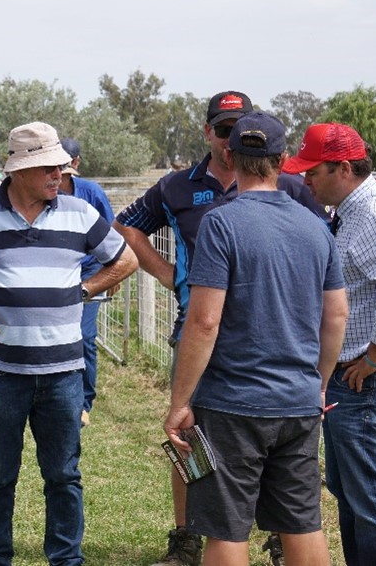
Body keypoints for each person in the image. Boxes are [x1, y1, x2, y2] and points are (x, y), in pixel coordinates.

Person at [113, 90, 324, 566]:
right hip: (201, 338)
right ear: (209, 132)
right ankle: (188, 534)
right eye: (223, 128)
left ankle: (274, 533)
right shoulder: (175, 187)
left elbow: (319, 248)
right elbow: (127, 227)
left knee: (224, 436)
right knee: (192, 441)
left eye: (238, 129)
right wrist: (171, 276)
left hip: (265, 337)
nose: (230, 139)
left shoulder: (286, 190)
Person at [0, 121, 138, 566]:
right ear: (19, 170)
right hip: (2, 373)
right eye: (49, 168)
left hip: (64, 374)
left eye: (61, 166)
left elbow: (126, 259)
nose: (59, 174)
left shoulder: (79, 213)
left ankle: (66, 560)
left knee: (63, 475)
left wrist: (86, 289)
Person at [164, 112, 348, 566]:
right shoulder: (316, 228)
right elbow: (337, 315)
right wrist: (319, 383)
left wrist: (180, 402)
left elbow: (205, 322)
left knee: (226, 530)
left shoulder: (221, 224)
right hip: (298, 402)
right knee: (303, 524)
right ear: (284, 160)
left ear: (230, 155)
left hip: (232, 404)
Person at [283, 123, 376, 566]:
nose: (305, 180)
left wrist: (375, 356)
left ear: (342, 167)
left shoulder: (373, 213)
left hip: (370, 380)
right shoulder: (354, 210)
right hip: (358, 378)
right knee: (355, 494)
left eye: (312, 171)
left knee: (371, 500)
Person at [58, 138, 115, 427]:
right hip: (54, 275)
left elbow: (112, 233)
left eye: (66, 165)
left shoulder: (91, 193)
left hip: (89, 275)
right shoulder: (43, 190)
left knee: (84, 337)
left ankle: (83, 403)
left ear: (76, 163)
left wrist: (112, 270)